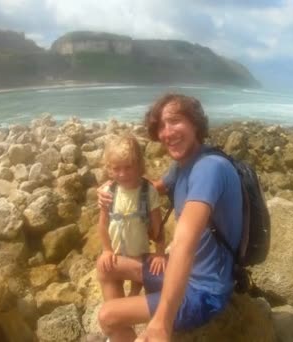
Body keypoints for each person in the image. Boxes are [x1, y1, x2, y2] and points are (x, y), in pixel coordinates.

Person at [96, 94, 243, 342]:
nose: (167, 132)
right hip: (181, 273)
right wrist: (112, 188)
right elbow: (151, 186)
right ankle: (126, 334)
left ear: (195, 123)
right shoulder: (183, 165)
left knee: (107, 315)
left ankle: (123, 325)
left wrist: (161, 322)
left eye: (175, 121)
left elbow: (185, 241)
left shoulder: (209, 169)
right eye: (161, 126)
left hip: (203, 291)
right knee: (106, 268)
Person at [98, 134, 166, 297]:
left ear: (139, 165)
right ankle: (119, 309)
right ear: (109, 168)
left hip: (139, 252)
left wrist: (160, 253)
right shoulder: (108, 192)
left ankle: (134, 295)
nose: (122, 174)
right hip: (116, 253)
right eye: (116, 169)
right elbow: (102, 224)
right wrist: (106, 250)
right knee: (113, 276)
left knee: (138, 279)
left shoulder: (148, 191)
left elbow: (158, 226)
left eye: (128, 167)